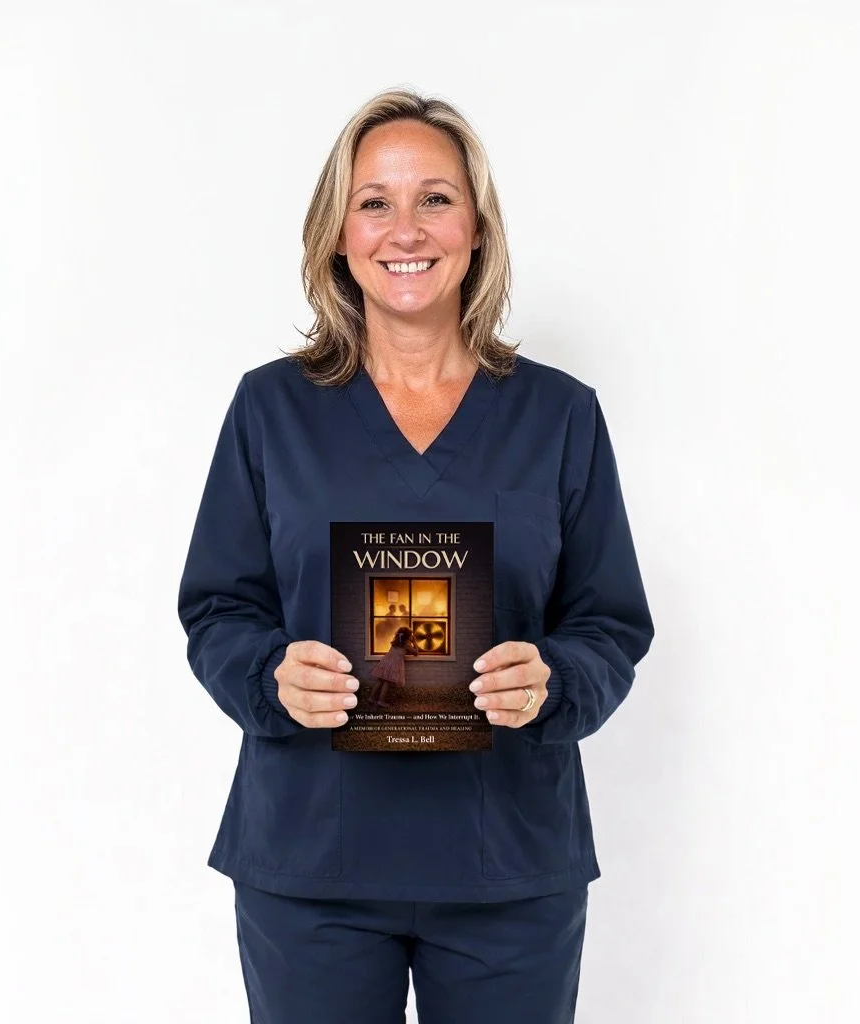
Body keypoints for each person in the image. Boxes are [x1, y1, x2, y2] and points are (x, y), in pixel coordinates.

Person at [177, 87, 654, 1024]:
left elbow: (610, 621)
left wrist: (554, 678)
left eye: (435, 198)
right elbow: (217, 610)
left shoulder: (560, 416)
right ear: (338, 233)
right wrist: (269, 674)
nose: (406, 228)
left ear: (477, 228)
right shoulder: (270, 409)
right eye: (375, 201)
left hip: (506, 866)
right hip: (311, 864)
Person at [365, 625, 420, 707]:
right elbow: (416, 652)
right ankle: (381, 701)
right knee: (387, 682)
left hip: (385, 661)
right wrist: (414, 642)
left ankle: (371, 698)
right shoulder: (406, 645)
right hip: (394, 664)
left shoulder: (395, 642)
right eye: (410, 635)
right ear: (408, 637)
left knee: (380, 681)